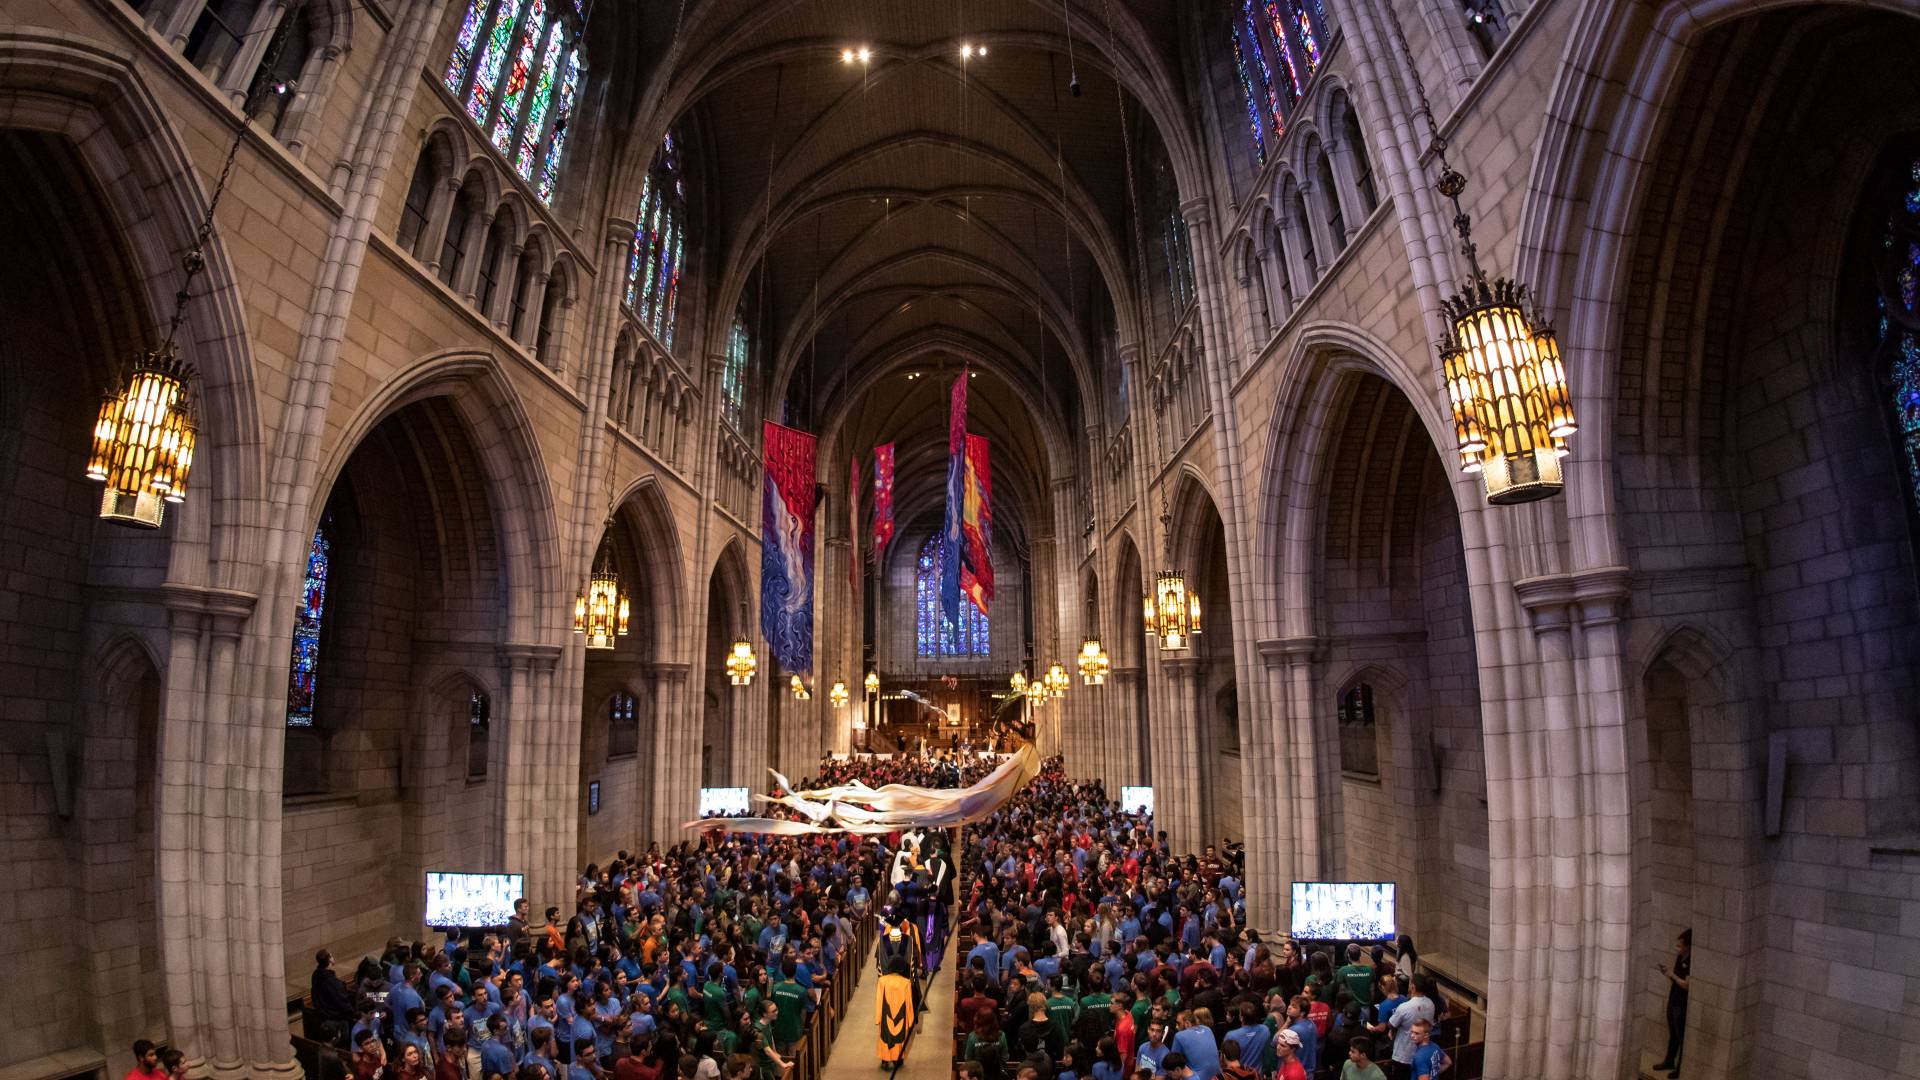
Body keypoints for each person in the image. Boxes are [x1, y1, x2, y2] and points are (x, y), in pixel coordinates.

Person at [1653, 929, 1691, 1078]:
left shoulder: (1690, 961)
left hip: (1682, 1003)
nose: (1677, 948)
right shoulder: (1679, 958)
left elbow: (1687, 985)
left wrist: (1672, 975)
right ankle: (1669, 1061)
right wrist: (1668, 973)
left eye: (1680, 946)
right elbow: (1676, 979)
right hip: (1674, 998)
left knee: (1681, 1036)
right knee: (1673, 1034)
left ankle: (1680, 1069)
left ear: (1688, 946)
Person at [876, 956, 917, 1071]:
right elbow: (909, 1002)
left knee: (885, 1037)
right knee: (899, 1038)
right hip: (900, 1015)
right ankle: (897, 1059)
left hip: (885, 1014)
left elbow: (879, 1000)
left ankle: (885, 1059)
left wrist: (877, 1017)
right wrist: (910, 1019)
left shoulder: (882, 981)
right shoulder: (906, 983)